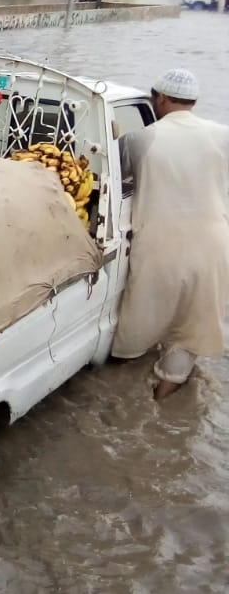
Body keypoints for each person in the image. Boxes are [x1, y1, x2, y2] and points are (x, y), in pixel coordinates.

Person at [111, 68, 229, 400]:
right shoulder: (223, 134)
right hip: (214, 244)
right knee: (192, 328)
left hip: (160, 243)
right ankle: (164, 394)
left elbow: (119, 180)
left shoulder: (140, 139)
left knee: (141, 320)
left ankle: (122, 397)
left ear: (159, 98)